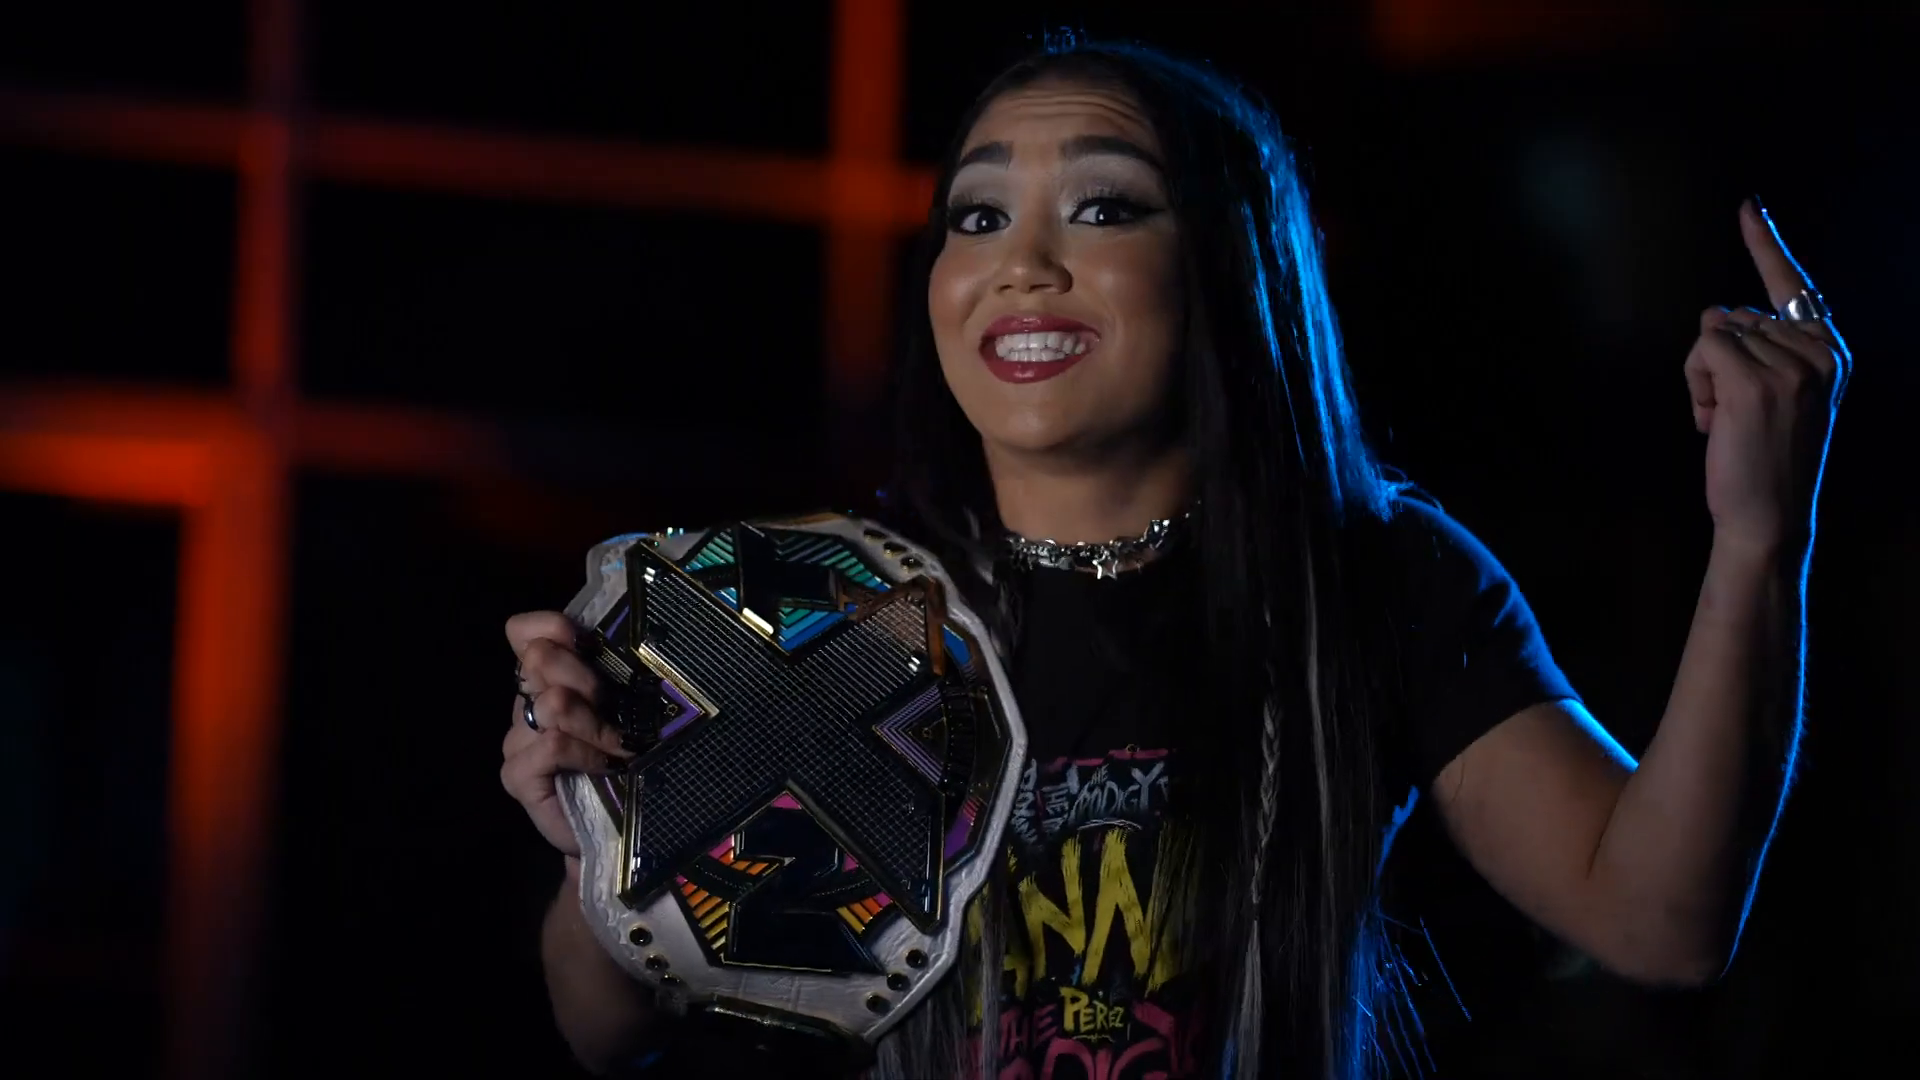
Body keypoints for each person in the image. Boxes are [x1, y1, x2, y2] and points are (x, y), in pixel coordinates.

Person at [500, 38, 1847, 1080]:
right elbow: (606, 1027)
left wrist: (1759, 539)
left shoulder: (1370, 576)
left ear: (1229, 265)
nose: (1023, 265)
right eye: (977, 216)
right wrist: (596, 840)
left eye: (1102, 208)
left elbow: (1661, 919)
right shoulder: (839, 610)